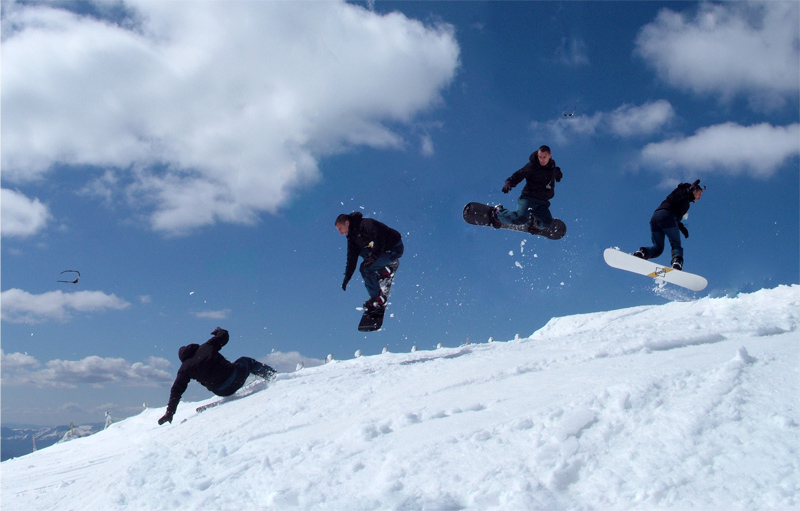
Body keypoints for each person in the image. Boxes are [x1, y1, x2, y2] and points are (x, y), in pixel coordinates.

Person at [158, 327, 275, 425]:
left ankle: (235, 384)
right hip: (236, 376)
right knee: (247, 361)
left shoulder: (184, 369)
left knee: (222, 377)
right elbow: (224, 336)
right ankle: (272, 376)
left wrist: (170, 413)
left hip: (222, 390)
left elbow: (176, 391)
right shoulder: (206, 347)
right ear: (191, 347)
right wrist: (219, 330)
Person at [336, 212, 404, 311]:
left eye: (340, 229)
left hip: (394, 249)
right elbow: (351, 257)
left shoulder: (366, 224)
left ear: (347, 223)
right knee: (362, 251)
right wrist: (347, 277)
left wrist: (373, 257)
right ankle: (384, 270)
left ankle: (378, 299)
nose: (340, 233)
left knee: (365, 269)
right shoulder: (352, 237)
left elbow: (380, 239)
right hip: (383, 250)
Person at [633, 180, 705, 270]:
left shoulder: (686, 202)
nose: (699, 198)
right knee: (676, 244)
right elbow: (673, 198)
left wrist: (681, 227)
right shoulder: (682, 191)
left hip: (656, 218)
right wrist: (687, 191)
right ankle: (677, 262)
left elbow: (676, 214)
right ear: (694, 190)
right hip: (667, 217)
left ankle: (642, 252)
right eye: (700, 194)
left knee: (658, 248)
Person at [492, 145, 563, 231]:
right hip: (528, 199)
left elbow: (556, 170)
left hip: (542, 203)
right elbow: (519, 175)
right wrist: (509, 183)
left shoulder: (552, 167)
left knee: (547, 223)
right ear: (537, 155)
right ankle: (498, 213)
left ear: (550, 156)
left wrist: (558, 174)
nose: (542, 160)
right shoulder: (531, 167)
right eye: (540, 157)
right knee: (521, 218)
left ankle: (534, 224)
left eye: (544, 157)